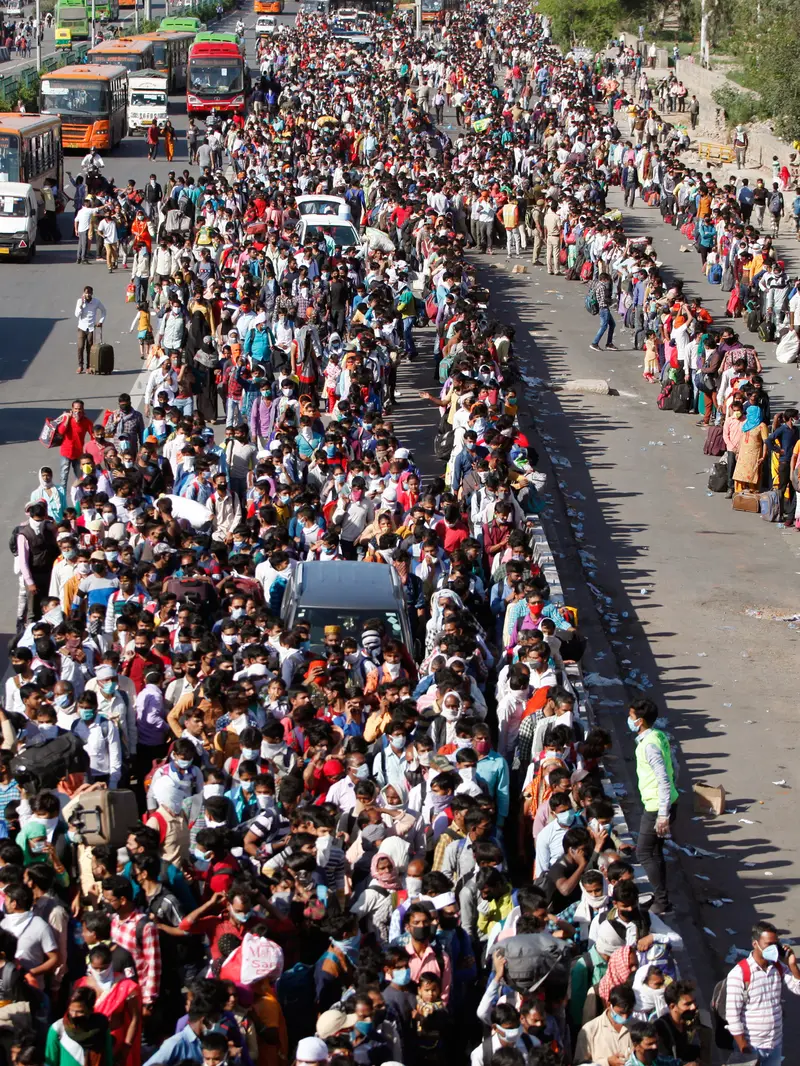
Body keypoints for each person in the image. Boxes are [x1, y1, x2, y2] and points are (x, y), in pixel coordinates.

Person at [725, 921, 800, 1066]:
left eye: (776, 943)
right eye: (769, 944)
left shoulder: (778, 967)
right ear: (755, 944)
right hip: (751, 1046)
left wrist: (792, 965)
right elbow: (733, 1017)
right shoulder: (740, 974)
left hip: (774, 1044)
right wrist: (744, 1049)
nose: (774, 948)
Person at [628, 698, 678, 915]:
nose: (628, 720)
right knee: (655, 853)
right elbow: (674, 767)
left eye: (631, 716)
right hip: (661, 803)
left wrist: (663, 814)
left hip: (657, 806)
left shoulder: (649, 746)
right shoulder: (658, 736)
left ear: (639, 721)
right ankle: (661, 899)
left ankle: (661, 899)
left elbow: (664, 778)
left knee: (644, 853)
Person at [74, 286, 106, 374]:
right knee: (80, 347)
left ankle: (89, 366)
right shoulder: (80, 301)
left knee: (90, 348)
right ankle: (80, 366)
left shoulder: (96, 302)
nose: (87, 295)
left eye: (89, 293)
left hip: (91, 328)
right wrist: (81, 306)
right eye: (86, 293)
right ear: (84, 293)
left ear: (92, 293)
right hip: (81, 327)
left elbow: (104, 311)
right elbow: (76, 315)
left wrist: (101, 321)